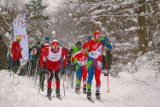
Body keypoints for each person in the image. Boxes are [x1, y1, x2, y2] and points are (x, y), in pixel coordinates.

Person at [86, 31, 112, 99]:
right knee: (90, 76)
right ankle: (88, 91)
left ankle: (97, 91)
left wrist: (107, 41)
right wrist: (86, 41)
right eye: (96, 37)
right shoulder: (90, 41)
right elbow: (84, 47)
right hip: (90, 61)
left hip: (98, 61)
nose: (97, 38)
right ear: (94, 37)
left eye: (98, 37)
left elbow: (110, 47)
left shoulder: (102, 41)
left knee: (97, 77)